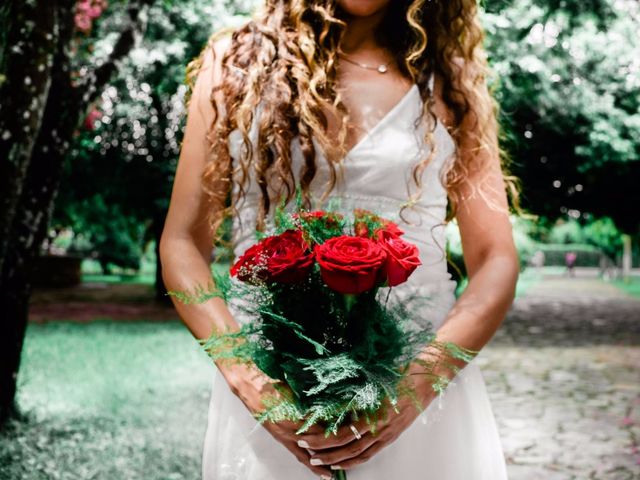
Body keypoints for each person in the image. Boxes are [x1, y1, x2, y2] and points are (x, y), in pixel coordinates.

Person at [160, 0, 520, 478]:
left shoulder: (448, 80)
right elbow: (182, 242)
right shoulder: (233, 63)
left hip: (417, 391)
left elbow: (494, 257)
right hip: (274, 385)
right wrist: (249, 380)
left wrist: (418, 386)